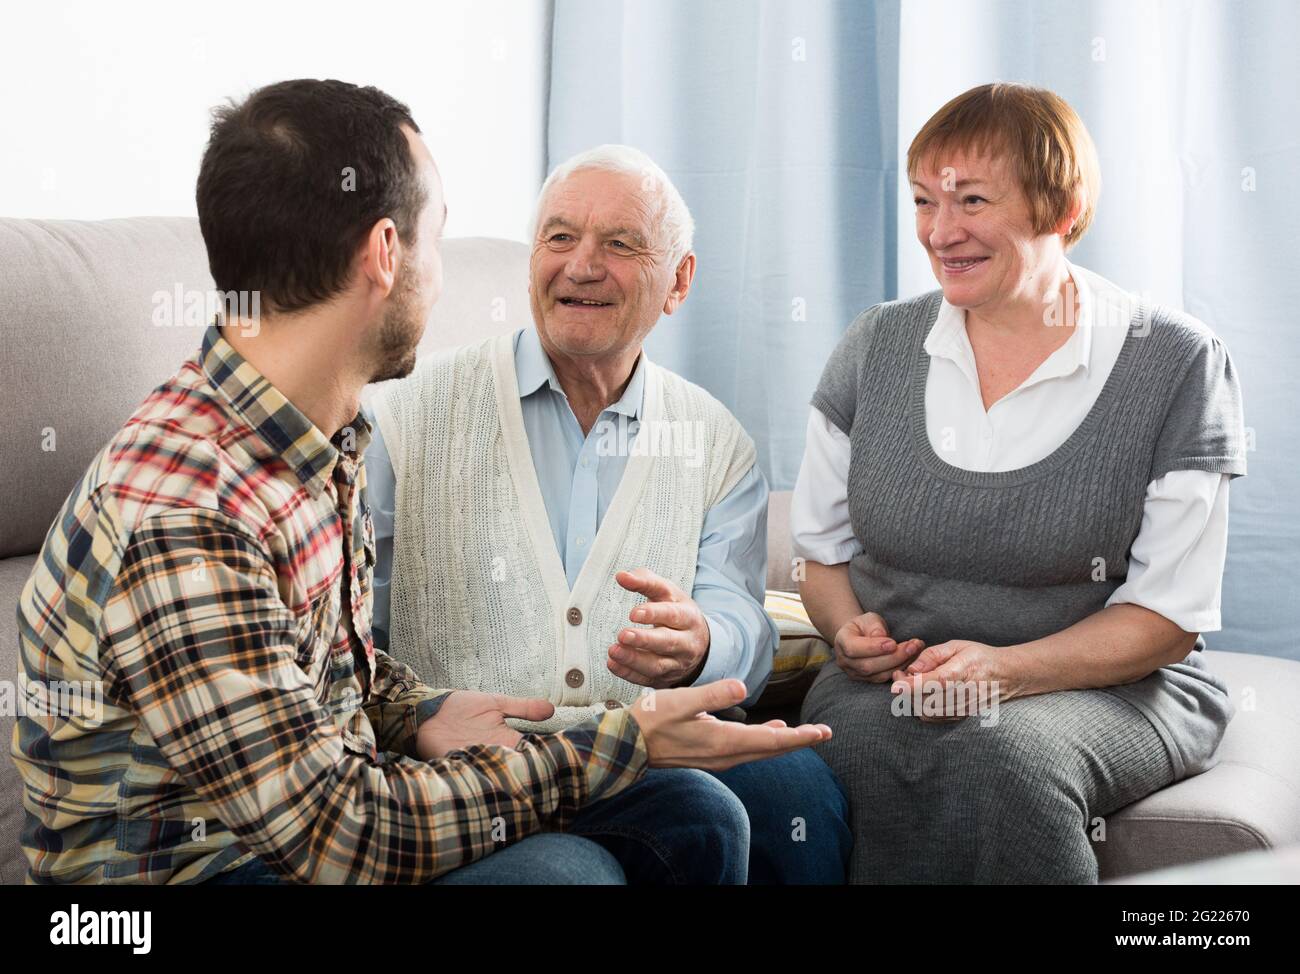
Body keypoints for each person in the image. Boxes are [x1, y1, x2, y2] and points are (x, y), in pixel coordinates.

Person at [10, 80, 830, 886]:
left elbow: (330, 672)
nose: (447, 276)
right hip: (204, 872)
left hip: (313, 814)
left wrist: (420, 710)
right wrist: (623, 742)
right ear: (386, 255)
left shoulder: (316, 442)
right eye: (438, 239)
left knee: (695, 813)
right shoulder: (186, 512)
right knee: (561, 874)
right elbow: (342, 835)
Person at [793, 82, 1247, 884]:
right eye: (925, 201)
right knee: (848, 747)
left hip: (1115, 687)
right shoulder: (875, 346)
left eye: (972, 200)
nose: (941, 231)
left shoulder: (1175, 360)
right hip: (906, 678)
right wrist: (846, 631)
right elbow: (822, 557)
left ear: (1063, 208)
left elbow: (1170, 618)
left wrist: (1008, 670)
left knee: (1002, 756)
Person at [364, 144, 852, 885]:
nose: (581, 265)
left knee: (802, 798)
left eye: (620, 244)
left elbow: (740, 617)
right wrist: (421, 716)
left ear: (678, 281)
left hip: (656, 745)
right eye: (559, 238)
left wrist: (701, 643)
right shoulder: (407, 412)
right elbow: (350, 632)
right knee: (575, 872)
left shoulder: (714, 439)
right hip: (480, 763)